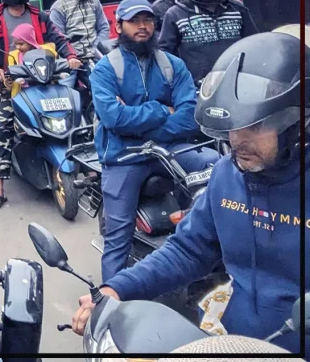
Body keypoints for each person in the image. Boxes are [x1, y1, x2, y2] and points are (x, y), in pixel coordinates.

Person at [73, 31, 307, 354]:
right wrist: (116, 288)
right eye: (233, 126)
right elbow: (188, 250)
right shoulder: (227, 175)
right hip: (231, 344)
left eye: (255, 126)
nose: (238, 140)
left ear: (298, 121)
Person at [89, 0, 220, 282]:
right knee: (117, 237)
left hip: (168, 150)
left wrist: (139, 123)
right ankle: (111, 303)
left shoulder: (173, 65)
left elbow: (189, 117)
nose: (143, 27)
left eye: (147, 20)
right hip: (124, 157)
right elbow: (113, 119)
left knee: (215, 163)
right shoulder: (105, 69)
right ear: (119, 25)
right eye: (134, 21)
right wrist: (162, 110)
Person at [0, 0, 80, 211]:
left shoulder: (40, 15)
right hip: (8, 85)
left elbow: (59, 38)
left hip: (44, 79)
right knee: (3, 129)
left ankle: (88, 169)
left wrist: (72, 56)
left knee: (75, 111)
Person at [159, 0, 257, 85]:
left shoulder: (238, 9)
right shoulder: (176, 14)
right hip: (197, 88)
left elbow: (254, 44)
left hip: (238, 82)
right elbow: (165, 55)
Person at [49, 0, 110, 64]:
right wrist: (72, 56)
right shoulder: (58, 8)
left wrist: (96, 49)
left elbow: (104, 27)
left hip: (97, 56)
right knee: (65, 80)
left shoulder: (94, 0)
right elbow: (58, 39)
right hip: (72, 61)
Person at [5, 24, 58, 99]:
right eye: (16, 44)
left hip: (45, 91)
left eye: (21, 44)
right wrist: (8, 83)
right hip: (22, 94)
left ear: (30, 41)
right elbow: (11, 76)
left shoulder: (45, 52)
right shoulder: (13, 56)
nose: (18, 47)